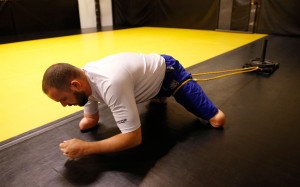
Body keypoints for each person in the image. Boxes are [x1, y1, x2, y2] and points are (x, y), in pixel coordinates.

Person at [42, 52, 225, 159]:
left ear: (75, 85)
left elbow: (133, 138)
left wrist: (85, 148)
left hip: (169, 74)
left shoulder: (111, 83)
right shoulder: (83, 77)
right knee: (155, 103)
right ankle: (156, 93)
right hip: (150, 85)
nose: (64, 106)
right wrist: (90, 117)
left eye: (63, 100)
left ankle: (170, 89)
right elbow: (88, 101)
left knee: (217, 119)